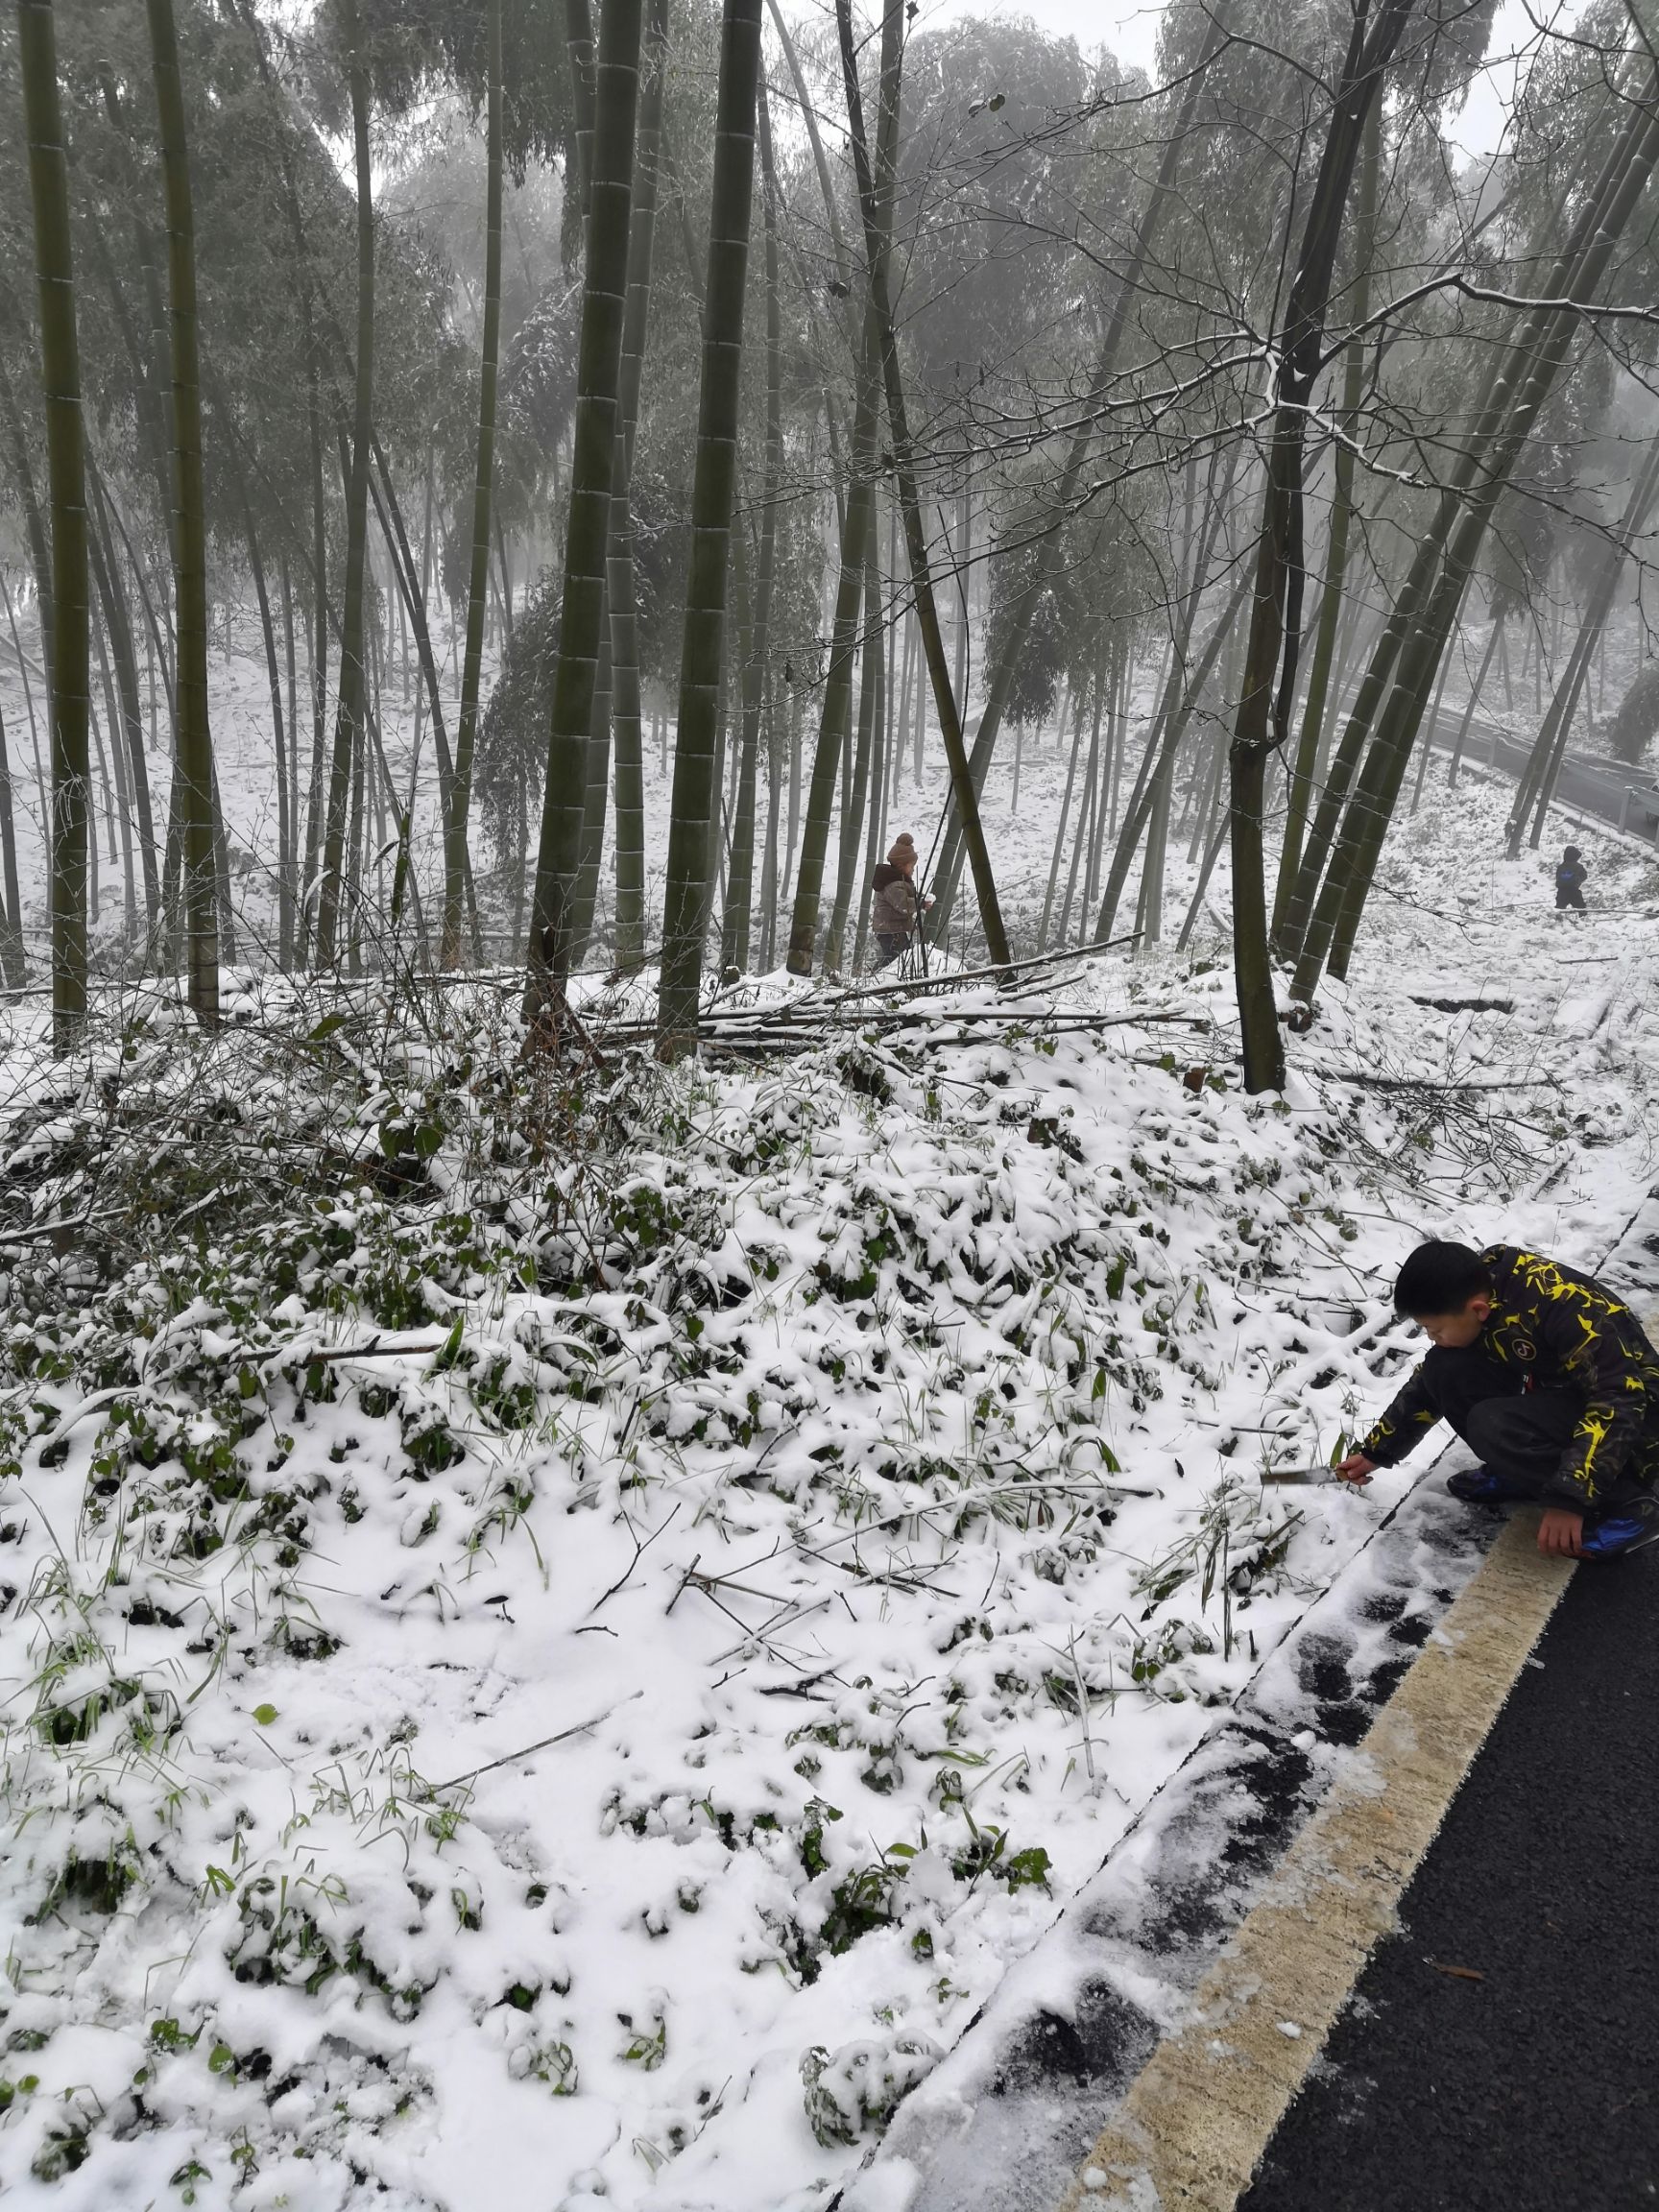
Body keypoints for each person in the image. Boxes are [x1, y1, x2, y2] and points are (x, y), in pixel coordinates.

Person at [1335, 1239, 1659, 1559]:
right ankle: (1520, 1472)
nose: (1432, 1338)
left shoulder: (1562, 1304)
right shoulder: (1477, 1291)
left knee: (1493, 1425)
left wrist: (1570, 1500)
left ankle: (1631, 1505)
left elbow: (1620, 1398)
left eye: (1434, 1329)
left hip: (1638, 1425)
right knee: (1445, 1368)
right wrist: (1377, 1451)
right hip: (1564, 1396)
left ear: (1478, 1309)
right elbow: (1429, 1383)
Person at [870, 834, 930, 968]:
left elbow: (909, 895)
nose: (913, 869)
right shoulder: (893, 884)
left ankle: (878, 976)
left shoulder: (898, 881)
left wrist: (921, 898)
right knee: (896, 958)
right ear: (901, 866)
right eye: (911, 866)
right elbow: (903, 904)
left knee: (900, 956)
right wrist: (920, 903)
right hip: (890, 930)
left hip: (893, 929)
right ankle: (876, 976)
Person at [1554, 844, 1588, 915]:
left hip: (1562, 892)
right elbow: (1584, 876)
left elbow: (1557, 877)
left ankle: (1557, 921)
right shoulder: (1579, 866)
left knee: (1559, 909)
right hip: (1574, 891)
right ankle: (1583, 922)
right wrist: (1578, 881)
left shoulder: (1560, 867)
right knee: (1581, 908)